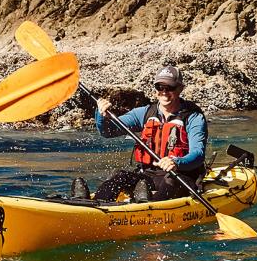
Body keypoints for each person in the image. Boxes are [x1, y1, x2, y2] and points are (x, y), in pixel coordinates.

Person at [89, 66, 208, 203]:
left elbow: (198, 154)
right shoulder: (144, 113)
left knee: (171, 181)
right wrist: (101, 114)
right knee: (120, 176)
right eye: (160, 87)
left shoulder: (193, 117)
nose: (164, 92)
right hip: (149, 175)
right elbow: (108, 131)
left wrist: (176, 162)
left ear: (180, 88)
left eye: (170, 87)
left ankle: (148, 207)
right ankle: (95, 204)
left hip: (180, 176)